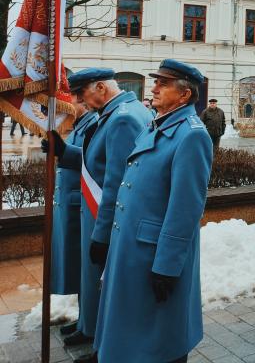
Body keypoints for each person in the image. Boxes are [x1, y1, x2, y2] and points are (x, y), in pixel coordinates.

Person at [93, 59, 213, 363]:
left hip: (154, 256)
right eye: (156, 81)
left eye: (163, 82)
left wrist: (167, 267)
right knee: (133, 334)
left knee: (159, 341)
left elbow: (185, 210)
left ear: (184, 94)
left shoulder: (192, 135)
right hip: (133, 250)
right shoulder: (157, 124)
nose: (155, 87)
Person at [49, 69, 152, 363]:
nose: (79, 100)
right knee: (96, 280)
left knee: (102, 282)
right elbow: (97, 158)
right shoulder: (120, 112)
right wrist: (64, 152)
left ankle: (102, 345)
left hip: (103, 217)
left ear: (100, 88)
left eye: (82, 94)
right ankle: (91, 329)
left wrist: (103, 232)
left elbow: (117, 180)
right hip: (100, 214)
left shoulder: (121, 118)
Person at [49, 75, 98, 338]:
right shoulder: (81, 124)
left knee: (86, 272)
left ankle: (89, 326)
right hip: (72, 205)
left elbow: (94, 162)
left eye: (69, 99)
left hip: (82, 206)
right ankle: (84, 321)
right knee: (78, 271)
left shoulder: (92, 123)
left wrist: (64, 152)